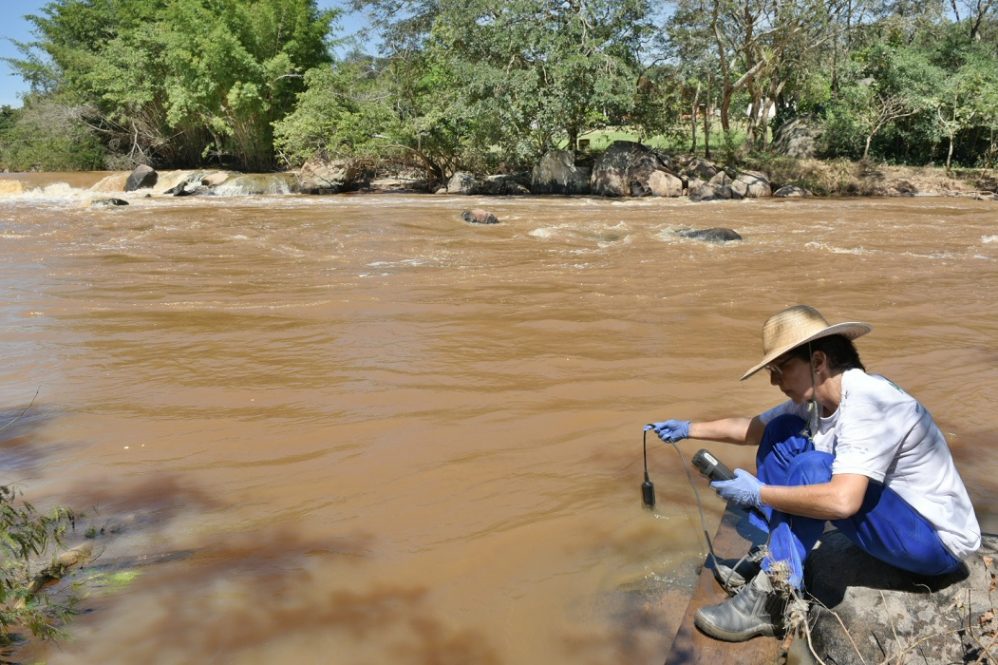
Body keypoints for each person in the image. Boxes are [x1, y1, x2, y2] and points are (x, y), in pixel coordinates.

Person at [648, 304, 981, 642]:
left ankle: (774, 595)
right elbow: (752, 430)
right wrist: (688, 428)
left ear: (819, 362)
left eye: (781, 368)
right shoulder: (819, 400)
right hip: (897, 526)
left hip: (935, 545)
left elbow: (843, 502)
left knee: (814, 466)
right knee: (781, 433)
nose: (774, 380)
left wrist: (758, 494)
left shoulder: (870, 403)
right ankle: (777, 551)